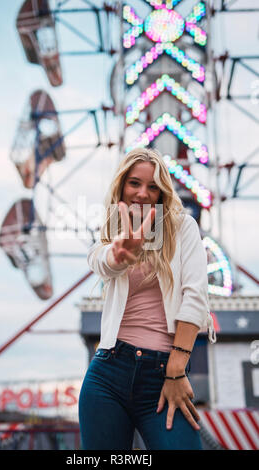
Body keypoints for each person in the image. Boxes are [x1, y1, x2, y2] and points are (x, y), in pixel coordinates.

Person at [78, 148, 216, 450]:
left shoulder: (183, 228)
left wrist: (176, 369)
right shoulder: (111, 232)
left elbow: (195, 297)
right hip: (108, 373)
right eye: (134, 183)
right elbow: (100, 260)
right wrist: (117, 254)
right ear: (121, 186)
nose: (142, 193)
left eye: (153, 186)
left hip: (164, 373)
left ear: (163, 192)